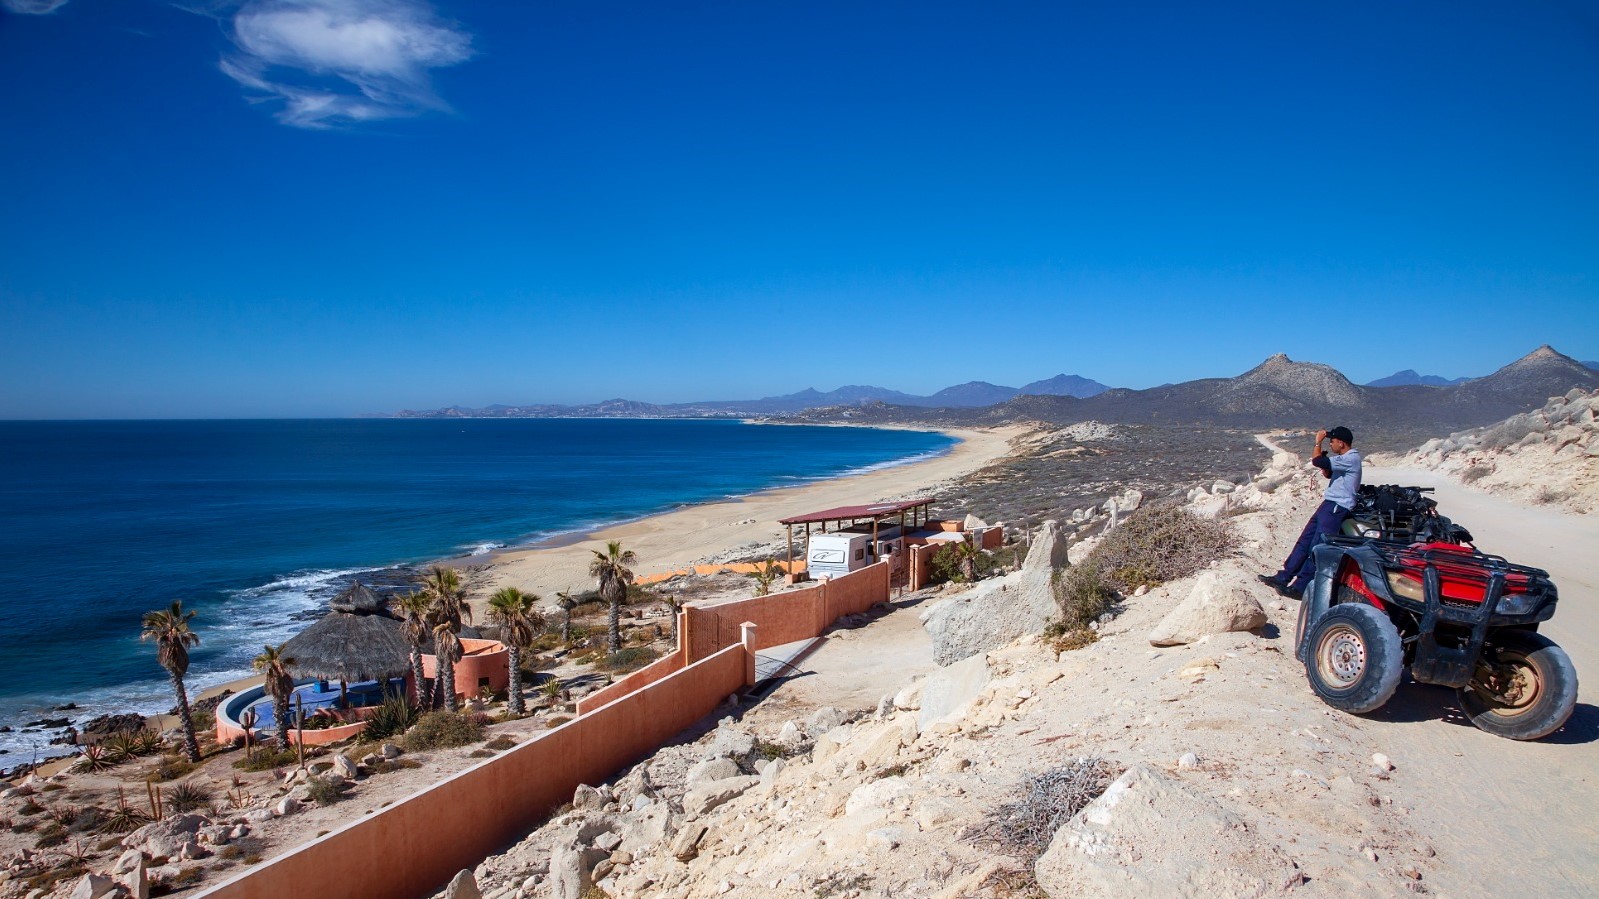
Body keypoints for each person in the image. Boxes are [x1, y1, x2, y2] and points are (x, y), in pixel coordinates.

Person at [1260, 426, 1362, 598]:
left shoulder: (1351, 458)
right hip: (1329, 504)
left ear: (1341, 443)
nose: (1330, 444)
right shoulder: (1344, 458)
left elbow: (1317, 462)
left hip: (1337, 507)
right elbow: (1329, 473)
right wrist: (1326, 465)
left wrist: (1317, 442)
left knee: (1317, 546)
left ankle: (1300, 586)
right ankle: (1284, 576)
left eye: (1332, 441)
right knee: (1305, 540)